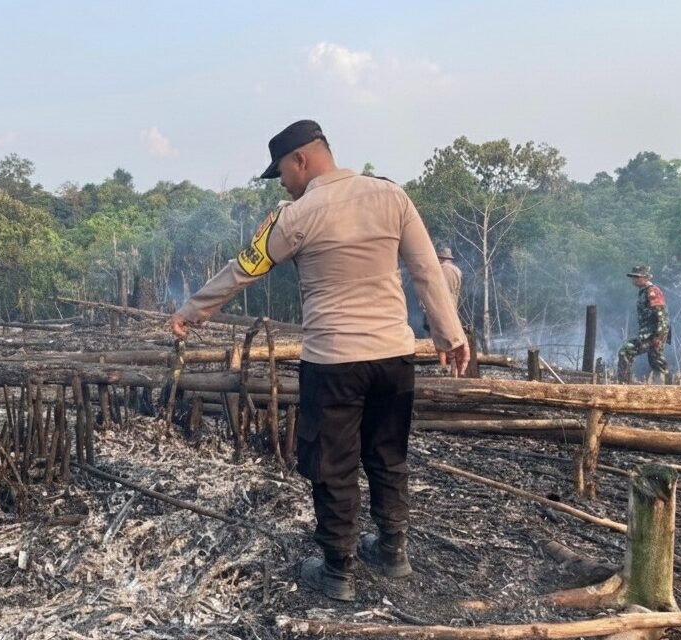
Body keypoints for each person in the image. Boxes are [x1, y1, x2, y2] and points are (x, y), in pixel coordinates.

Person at [169, 119, 468, 602]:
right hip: (394, 357)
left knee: (333, 464)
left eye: (282, 172)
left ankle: (338, 572)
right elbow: (427, 270)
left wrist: (191, 310)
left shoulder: (297, 215)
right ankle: (393, 552)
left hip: (334, 361)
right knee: (388, 456)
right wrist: (449, 335)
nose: (283, 182)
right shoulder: (392, 196)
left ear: (301, 160)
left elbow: (243, 269)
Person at [616, 264, 669, 384]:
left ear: (645, 277)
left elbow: (661, 314)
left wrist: (658, 336)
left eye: (637, 277)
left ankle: (624, 385)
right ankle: (660, 390)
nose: (634, 279)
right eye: (633, 276)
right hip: (648, 333)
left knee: (626, 351)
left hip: (653, 334)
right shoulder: (643, 291)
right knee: (656, 360)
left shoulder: (652, 291)